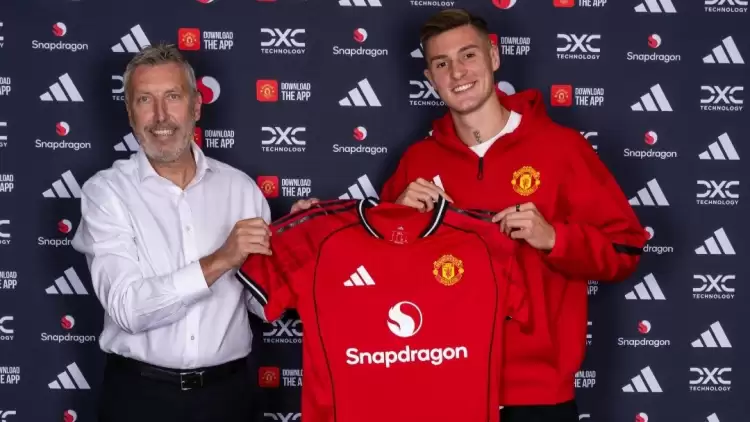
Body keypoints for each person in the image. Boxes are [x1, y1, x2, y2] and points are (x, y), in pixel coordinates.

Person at [293, 8, 648, 422]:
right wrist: (322, 223)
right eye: (442, 64)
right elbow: (376, 275)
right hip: (440, 385)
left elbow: (625, 249)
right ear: (430, 78)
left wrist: (554, 238)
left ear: (493, 57)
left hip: (534, 394)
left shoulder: (561, 149)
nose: (457, 72)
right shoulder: (418, 161)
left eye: (468, 55)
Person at [71, 43, 271, 422]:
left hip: (228, 398)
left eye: (173, 97)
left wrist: (303, 240)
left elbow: (262, 301)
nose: (161, 115)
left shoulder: (241, 190)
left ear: (196, 106)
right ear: (130, 112)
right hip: (139, 399)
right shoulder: (106, 192)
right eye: (145, 100)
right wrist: (220, 260)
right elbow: (128, 309)